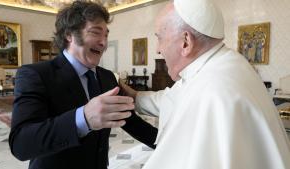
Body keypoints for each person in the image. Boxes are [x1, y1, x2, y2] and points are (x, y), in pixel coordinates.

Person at [120, 0, 290, 168]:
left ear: (185, 42)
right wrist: (134, 96)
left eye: (160, 38)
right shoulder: (224, 64)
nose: (158, 49)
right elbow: (173, 99)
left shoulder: (212, 89)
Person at [9, 1, 157, 169]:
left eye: (106, 35)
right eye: (95, 33)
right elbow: (21, 143)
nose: (103, 42)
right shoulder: (35, 75)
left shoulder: (108, 77)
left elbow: (132, 122)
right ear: (69, 35)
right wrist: (83, 118)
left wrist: (171, 144)